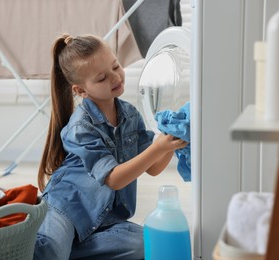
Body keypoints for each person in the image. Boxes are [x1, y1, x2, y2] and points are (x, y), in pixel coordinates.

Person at [33, 34, 188, 260]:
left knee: (146, 246)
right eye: (102, 78)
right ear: (80, 90)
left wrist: (170, 142)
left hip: (105, 221)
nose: (115, 77)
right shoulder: (80, 126)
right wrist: (158, 147)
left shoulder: (131, 115)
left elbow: (153, 167)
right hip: (65, 208)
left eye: (116, 66)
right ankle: (56, 245)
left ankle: (68, 251)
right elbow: (114, 179)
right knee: (51, 251)